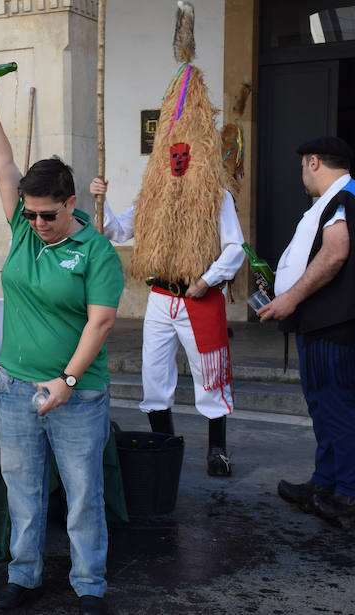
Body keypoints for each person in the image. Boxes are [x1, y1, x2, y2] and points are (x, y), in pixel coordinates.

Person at [0, 86, 124, 615]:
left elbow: (100, 323)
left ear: (72, 202)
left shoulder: (96, 252)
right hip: (14, 387)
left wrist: (68, 381)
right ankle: (24, 574)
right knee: (23, 491)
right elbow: (2, 161)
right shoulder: (25, 229)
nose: (37, 224)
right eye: (30, 214)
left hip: (76, 395)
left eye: (48, 215)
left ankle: (89, 585)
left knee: (82, 497)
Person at [90, 1, 244, 477]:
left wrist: (208, 279)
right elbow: (117, 232)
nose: (177, 162)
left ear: (195, 155)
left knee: (208, 377)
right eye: (171, 156)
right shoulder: (152, 196)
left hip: (199, 298)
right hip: (160, 297)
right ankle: (163, 446)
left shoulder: (216, 196)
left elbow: (235, 248)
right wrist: (103, 200)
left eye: (184, 156)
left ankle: (217, 449)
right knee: (155, 376)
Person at [258, 136, 355, 528]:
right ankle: (326, 484)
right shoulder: (345, 197)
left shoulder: (344, 200)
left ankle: (353, 494)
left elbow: (335, 252)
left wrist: (290, 298)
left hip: (337, 324)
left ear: (314, 161)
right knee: (324, 404)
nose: (302, 173)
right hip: (325, 322)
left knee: (339, 406)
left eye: (303, 165)